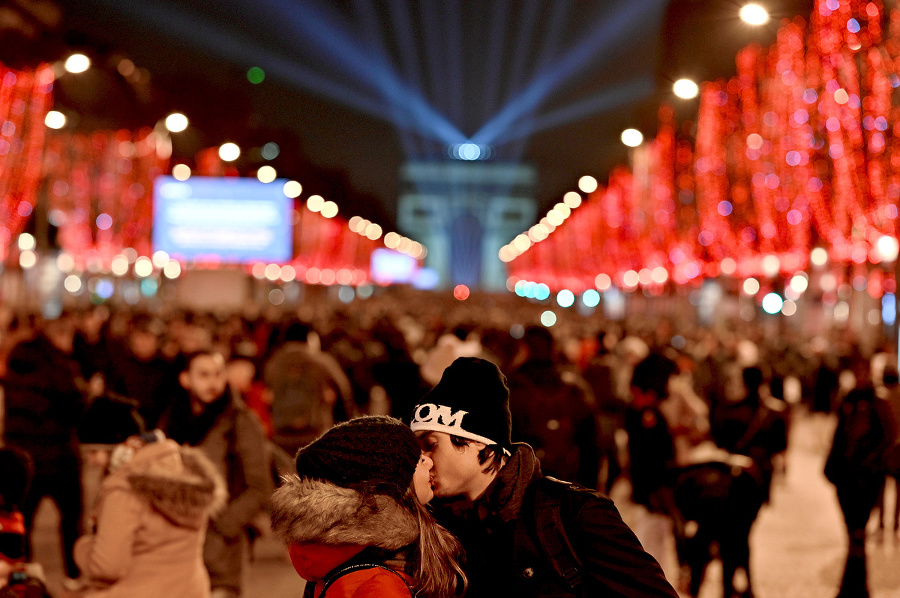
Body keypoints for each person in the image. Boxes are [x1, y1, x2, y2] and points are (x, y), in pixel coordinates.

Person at [410, 357, 678, 597]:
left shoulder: (574, 515)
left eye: (431, 444)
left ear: (478, 441)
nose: (422, 458)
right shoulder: (439, 528)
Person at [270, 416, 466, 598]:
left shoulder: (348, 556)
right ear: (391, 484)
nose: (429, 461)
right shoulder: (380, 585)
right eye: (417, 458)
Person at [159, 351, 273, 598]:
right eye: (204, 375)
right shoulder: (171, 419)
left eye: (218, 374)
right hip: (176, 544)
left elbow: (259, 486)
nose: (213, 382)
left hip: (221, 552)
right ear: (185, 379)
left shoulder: (240, 421)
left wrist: (224, 525)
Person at [73, 431, 226, 597]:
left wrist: (83, 549)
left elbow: (108, 567)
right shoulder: (188, 478)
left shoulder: (123, 491)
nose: (89, 460)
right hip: (191, 590)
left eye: (94, 452)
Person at [2, 313, 87, 586]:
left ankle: (22, 573)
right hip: (60, 457)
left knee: (21, 520)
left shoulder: (15, 361)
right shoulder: (62, 369)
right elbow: (77, 409)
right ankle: (73, 574)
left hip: (25, 458)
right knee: (72, 519)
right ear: (58, 335)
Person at [824, 360, 894, 598]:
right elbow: (838, 436)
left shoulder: (879, 404)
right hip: (846, 479)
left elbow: (887, 439)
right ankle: (856, 587)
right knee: (853, 533)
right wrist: (832, 467)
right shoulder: (849, 401)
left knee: (857, 533)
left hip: (866, 480)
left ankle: (854, 587)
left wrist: (870, 466)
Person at [263, 322, 356, 457]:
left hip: (282, 433)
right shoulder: (322, 361)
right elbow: (344, 390)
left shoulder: (272, 363)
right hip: (316, 432)